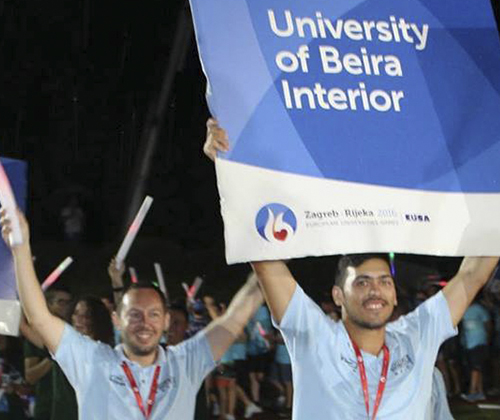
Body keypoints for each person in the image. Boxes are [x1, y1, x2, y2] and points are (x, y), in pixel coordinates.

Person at [204, 119, 499, 419]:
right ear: (338, 296)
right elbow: (266, 260)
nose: (375, 289)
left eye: (385, 281)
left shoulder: (417, 336)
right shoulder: (313, 336)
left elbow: (473, 274)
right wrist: (231, 173)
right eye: (361, 282)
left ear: (395, 295)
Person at [1, 210, 264, 420]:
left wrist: (268, 257)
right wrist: (21, 249)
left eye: (153, 314)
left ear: (166, 321)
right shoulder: (91, 360)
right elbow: (39, 318)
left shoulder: (186, 362)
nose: (145, 323)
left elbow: (235, 317)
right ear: (117, 319)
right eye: (135, 315)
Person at [23, 288, 72, 420]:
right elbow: (30, 376)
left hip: (74, 409)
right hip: (47, 409)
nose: (67, 306)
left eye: (69, 302)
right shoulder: (36, 337)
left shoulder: (76, 333)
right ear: (49, 305)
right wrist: (54, 355)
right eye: (61, 302)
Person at [459, 296, 491, 402]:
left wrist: (487, 339)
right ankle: (480, 392)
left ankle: (472, 392)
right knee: (477, 368)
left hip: (479, 341)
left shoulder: (479, 309)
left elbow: (488, 324)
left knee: (475, 367)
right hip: (469, 343)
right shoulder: (463, 309)